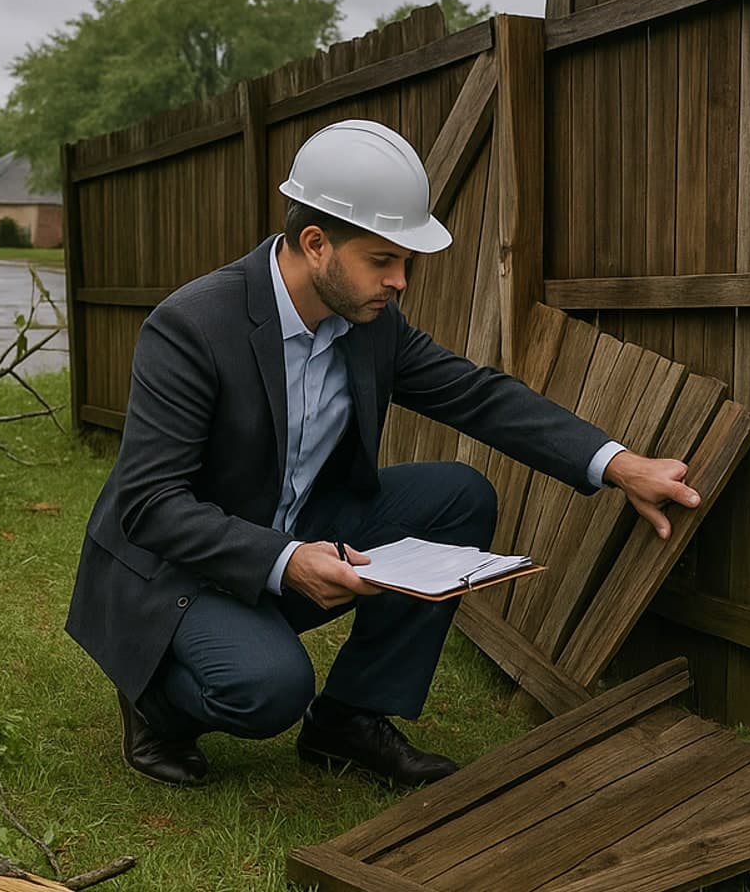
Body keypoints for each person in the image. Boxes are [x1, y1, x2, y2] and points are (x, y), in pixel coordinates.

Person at [64, 118, 698, 788]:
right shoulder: (191, 327)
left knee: (457, 494)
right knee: (269, 688)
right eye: (383, 260)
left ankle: (350, 721)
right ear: (315, 244)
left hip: (288, 527)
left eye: (407, 263)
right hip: (175, 569)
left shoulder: (370, 324)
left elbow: (477, 396)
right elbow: (151, 505)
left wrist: (621, 464)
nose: (401, 282)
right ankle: (155, 704)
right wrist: (286, 560)